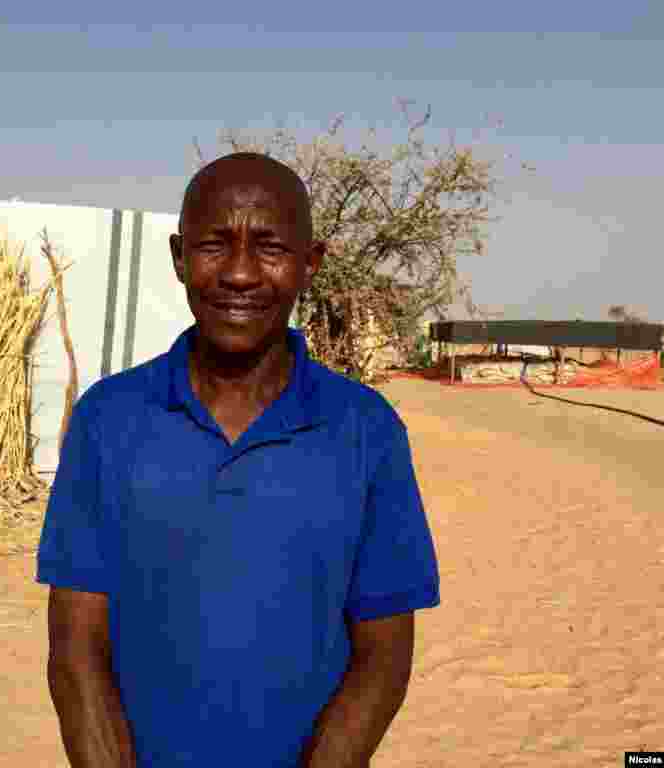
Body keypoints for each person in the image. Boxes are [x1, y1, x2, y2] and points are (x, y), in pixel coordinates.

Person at [38, 152, 441, 768]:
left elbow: (383, 659)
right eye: (214, 245)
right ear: (178, 258)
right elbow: (75, 653)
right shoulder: (108, 420)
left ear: (311, 265)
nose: (242, 274)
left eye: (271, 247)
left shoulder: (365, 430)